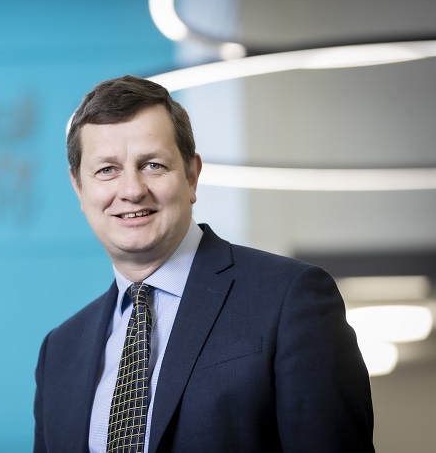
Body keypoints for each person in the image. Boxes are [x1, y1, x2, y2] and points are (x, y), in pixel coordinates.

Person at [33, 75, 374, 453]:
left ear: (192, 175)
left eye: (152, 165)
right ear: (79, 188)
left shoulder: (291, 300)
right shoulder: (59, 351)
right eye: (107, 170)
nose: (131, 190)